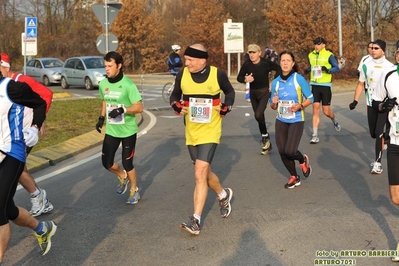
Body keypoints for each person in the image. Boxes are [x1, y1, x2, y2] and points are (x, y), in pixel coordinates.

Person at [169, 43, 235, 236]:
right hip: (191, 130)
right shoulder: (182, 74)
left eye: (189, 60)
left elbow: (230, 93)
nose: (186, 63)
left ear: (201, 59)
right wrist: (175, 104)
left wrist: (226, 106)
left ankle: (195, 221)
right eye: (185, 59)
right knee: (205, 174)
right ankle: (223, 195)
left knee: (199, 174)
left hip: (211, 130)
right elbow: (174, 95)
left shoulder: (218, 74)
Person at [0, 71, 57, 263]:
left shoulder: (12, 88)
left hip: (12, 152)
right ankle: (43, 229)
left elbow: (40, 102)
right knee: (8, 210)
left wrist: (35, 126)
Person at [0, 53, 54, 217]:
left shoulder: (21, 81)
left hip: (24, 133)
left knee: (18, 167)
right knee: (18, 168)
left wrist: (37, 122)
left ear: (5, 67)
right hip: (10, 133)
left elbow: (46, 95)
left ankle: (38, 197)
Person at [96, 51, 143, 205]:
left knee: (127, 162)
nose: (107, 69)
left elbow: (139, 107)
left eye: (110, 66)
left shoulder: (128, 85)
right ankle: (123, 176)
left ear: (119, 66)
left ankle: (134, 190)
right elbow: (104, 100)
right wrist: (101, 118)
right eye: (105, 66)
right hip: (112, 130)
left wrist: (123, 109)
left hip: (128, 130)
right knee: (106, 162)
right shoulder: (103, 84)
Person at [270, 51, 314, 189]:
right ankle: (294, 176)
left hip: (296, 119)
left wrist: (300, 106)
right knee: (282, 150)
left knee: (290, 151)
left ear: (293, 63)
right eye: (283, 60)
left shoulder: (298, 79)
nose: (285, 63)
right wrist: (274, 103)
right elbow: (272, 105)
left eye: (288, 60)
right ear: (279, 63)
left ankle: (302, 160)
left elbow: (311, 98)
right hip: (281, 119)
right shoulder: (275, 82)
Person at [349, 39, 393, 174]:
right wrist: (355, 101)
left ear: (383, 51)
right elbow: (361, 84)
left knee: (379, 132)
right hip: (371, 103)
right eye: (372, 48)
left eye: (376, 48)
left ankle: (377, 163)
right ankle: (387, 137)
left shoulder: (390, 66)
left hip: (384, 105)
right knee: (374, 133)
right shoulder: (366, 65)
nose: (372, 50)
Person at [371, 64, 399, 262]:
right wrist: (384, 106)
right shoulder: (388, 76)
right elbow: (375, 102)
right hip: (396, 143)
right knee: (396, 198)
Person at [237, 44, 281, 155]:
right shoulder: (247, 65)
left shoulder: (265, 63)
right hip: (253, 93)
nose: (252, 55)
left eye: (254, 52)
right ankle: (266, 139)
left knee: (258, 114)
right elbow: (239, 77)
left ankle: (265, 138)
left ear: (259, 53)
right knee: (259, 116)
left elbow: (278, 68)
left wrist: (273, 82)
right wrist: (245, 79)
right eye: (250, 53)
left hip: (264, 92)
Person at [306, 37, 341, 144]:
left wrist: (328, 70)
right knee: (315, 110)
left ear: (323, 45)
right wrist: (307, 69)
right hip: (314, 85)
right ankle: (315, 135)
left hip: (325, 86)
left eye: (319, 44)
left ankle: (334, 120)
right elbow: (311, 66)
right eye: (315, 44)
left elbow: (337, 67)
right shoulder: (310, 55)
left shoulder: (329, 55)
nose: (316, 46)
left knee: (326, 111)